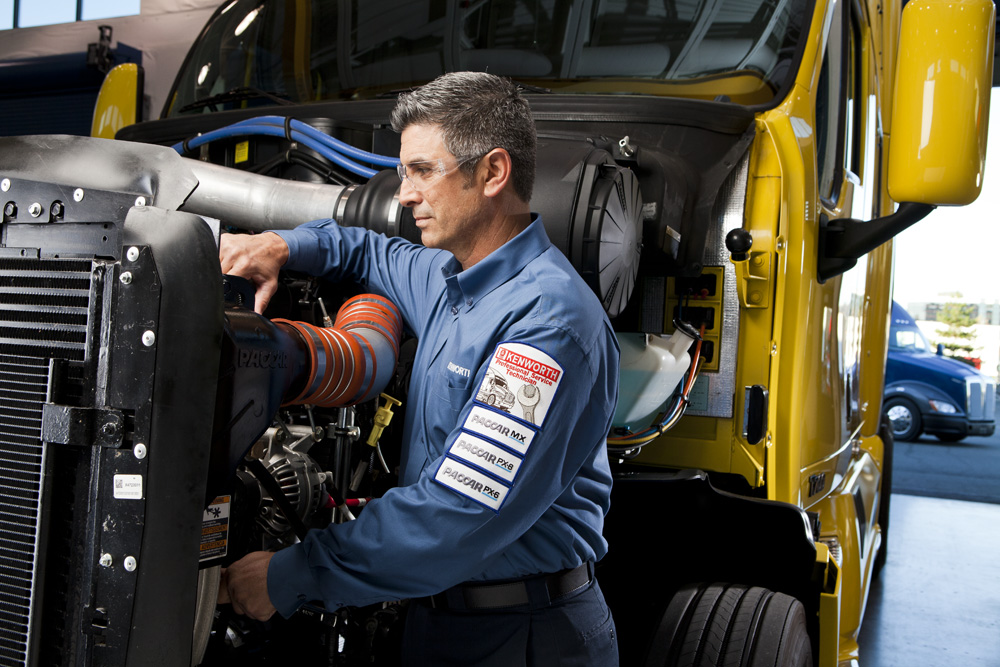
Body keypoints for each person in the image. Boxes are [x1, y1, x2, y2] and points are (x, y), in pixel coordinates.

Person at [218, 71, 620, 666]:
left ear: (492, 173)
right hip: (438, 620)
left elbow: (454, 515)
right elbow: (367, 250)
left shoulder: (546, 326)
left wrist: (290, 575)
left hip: (520, 637)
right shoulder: (449, 279)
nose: (404, 193)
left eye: (422, 171)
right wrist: (281, 244)